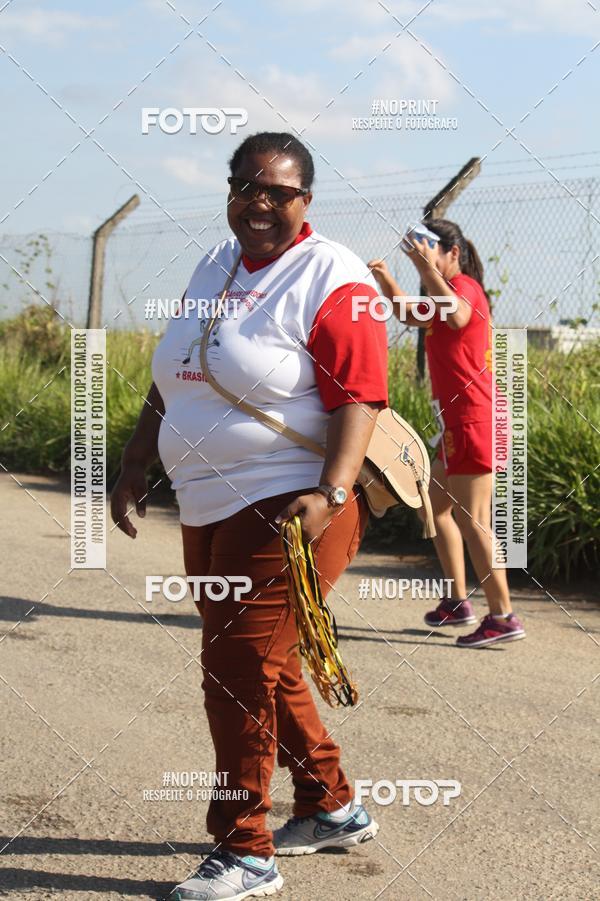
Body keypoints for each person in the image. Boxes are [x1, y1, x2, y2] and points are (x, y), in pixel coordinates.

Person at [111, 132, 387, 900]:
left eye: (280, 192)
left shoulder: (330, 274)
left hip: (291, 499)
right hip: (206, 499)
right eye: (247, 187)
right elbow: (175, 373)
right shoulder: (215, 263)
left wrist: (331, 494)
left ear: (307, 201)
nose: (261, 204)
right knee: (263, 658)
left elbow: (360, 392)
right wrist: (136, 460)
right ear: (230, 190)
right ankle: (330, 805)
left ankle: (245, 849)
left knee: (236, 669)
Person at [369, 220, 525, 649]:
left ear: (452, 252)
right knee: (435, 509)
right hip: (455, 425)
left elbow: (456, 314)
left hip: (476, 420)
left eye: (430, 250)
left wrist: (426, 271)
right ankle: (458, 602)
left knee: (474, 520)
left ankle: (503, 615)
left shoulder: (466, 289)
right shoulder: (439, 294)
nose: (423, 256)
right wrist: (386, 278)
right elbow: (406, 313)